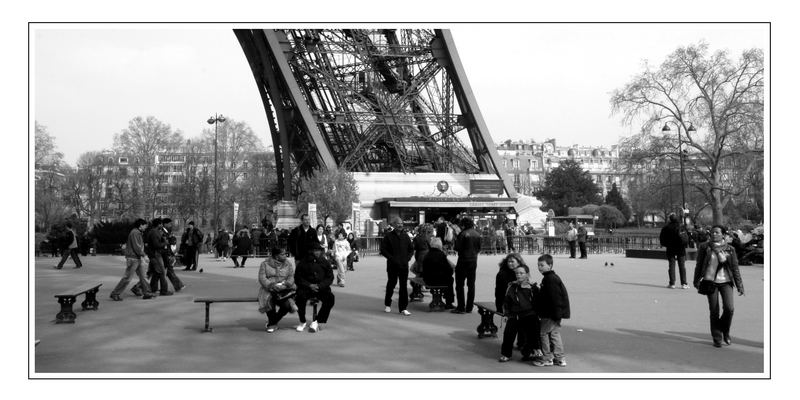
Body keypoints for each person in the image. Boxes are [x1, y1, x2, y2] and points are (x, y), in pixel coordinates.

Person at [693, 225, 745, 348]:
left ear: (723, 234)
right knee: (714, 310)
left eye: (717, 232)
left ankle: (725, 330)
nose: (714, 234)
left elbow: (735, 268)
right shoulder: (705, 247)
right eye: (712, 232)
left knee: (729, 308)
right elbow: (699, 265)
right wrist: (696, 280)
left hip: (726, 282)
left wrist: (740, 285)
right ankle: (717, 338)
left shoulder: (730, 249)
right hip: (710, 282)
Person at [533, 254, 570, 367]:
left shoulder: (550, 279)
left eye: (542, 265)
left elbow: (555, 298)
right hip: (555, 313)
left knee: (543, 333)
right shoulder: (551, 277)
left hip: (550, 313)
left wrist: (556, 314)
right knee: (554, 334)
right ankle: (560, 358)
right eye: (538, 265)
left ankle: (547, 357)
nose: (540, 267)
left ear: (550, 265)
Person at [499, 264, 540, 362]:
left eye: (521, 273)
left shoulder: (533, 287)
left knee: (531, 335)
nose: (519, 275)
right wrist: (506, 314)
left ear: (527, 274)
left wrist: (538, 315)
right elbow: (506, 302)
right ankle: (506, 354)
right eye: (517, 273)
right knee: (508, 334)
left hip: (529, 315)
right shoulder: (512, 286)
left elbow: (537, 303)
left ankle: (529, 353)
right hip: (514, 315)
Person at [294, 241, 336, 333]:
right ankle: (302, 321)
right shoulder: (303, 262)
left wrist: (320, 286)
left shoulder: (324, 261)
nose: (317, 252)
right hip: (306, 288)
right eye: (315, 250)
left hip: (321, 288)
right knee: (299, 298)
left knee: (330, 299)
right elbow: (298, 278)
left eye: (319, 250)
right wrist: (309, 285)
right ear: (310, 251)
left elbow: (330, 277)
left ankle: (317, 320)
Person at [110, 219, 155, 301]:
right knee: (127, 278)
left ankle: (147, 292)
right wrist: (144, 255)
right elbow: (137, 247)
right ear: (140, 225)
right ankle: (115, 293)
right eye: (145, 225)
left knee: (143, 277)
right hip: (133, 258)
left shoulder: (137, 232)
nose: (146, 227)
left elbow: (138, 247)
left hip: (136, 258)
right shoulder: (135, 233)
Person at [258, 246, 298, 333]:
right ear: (276, 256)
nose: (285, 256)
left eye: (285, 254)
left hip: (285, 289)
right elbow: (262, 278)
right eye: (283, 254)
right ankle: (272, 324)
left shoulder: (288, 264)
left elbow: (291, 276)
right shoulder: (265, 264)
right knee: (269, 303)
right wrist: (271, 285)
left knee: (287, 306)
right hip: (269, 289)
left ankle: (273, 321)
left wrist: (286, 284)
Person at [380, 216, 414, 315]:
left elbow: (411, 249)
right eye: (398, 224)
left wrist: (408, 258)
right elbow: (383, 250)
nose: (400, 225)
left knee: (403, 286)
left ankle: (403, 308)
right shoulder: (388, 236)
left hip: (404, 265)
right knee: (391, 284)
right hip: (392, 265)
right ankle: (387, 304)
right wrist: (391, 258)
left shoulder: (406, 236)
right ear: (394, 225)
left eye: (401, 224)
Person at [451, 217, 482, 314]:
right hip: (473, 260)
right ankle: (469, 307)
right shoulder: (477, 234)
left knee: (460, 284)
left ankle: (461, 306)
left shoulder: (463, 234)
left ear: (463, 225)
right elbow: (479, 248)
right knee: (471, 284)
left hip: (463, 260)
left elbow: (457, 247)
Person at [421, 237, 455, 309]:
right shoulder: (441, 255)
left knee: (448, 278)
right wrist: (451, 272)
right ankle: (449, 302)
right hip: (438, 279)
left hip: (428, 279)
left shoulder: (427, 254)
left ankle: (444, 300)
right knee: (450, 279)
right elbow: (448, 269)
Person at [659, 214, 689, 289]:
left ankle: (672, 283)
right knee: (682, 266)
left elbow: (662, 238)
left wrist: (666, 244)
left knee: (671, 265)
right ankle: (684, 283)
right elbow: (686, 236)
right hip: (680, 248)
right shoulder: (681, 226)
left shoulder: (666, 227)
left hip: (670, 248)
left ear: (670, 219)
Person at [144, 218, 172, 296]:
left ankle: (153, 288)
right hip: (156, 254)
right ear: (158, 224)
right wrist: (165, 243)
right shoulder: (154, 232)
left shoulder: (155, 232)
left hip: (155, 254)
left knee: (156, 272)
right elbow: (156, 245)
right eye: (161, 224)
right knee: (162, 272)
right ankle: (164, 291)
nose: (162, 225)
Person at [160, 218, 185, 292]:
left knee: (157, 272)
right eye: (169, 224)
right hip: (164, 253)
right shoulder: (162, 232)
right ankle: (178, 285)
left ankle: (178, 285)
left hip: (166, 253)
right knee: (166, 270)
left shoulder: (167, 231)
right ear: (165, 224)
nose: (171, 225)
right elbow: (166, 242)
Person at [410, 223, 434, 301]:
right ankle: (419, 289)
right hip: (427, 255)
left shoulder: (417, 238)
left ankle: (417, 290)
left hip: (420, 255)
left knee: (419, 273)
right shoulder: (428, 238)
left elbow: (413, 247)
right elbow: (431, 246)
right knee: (422, 273)